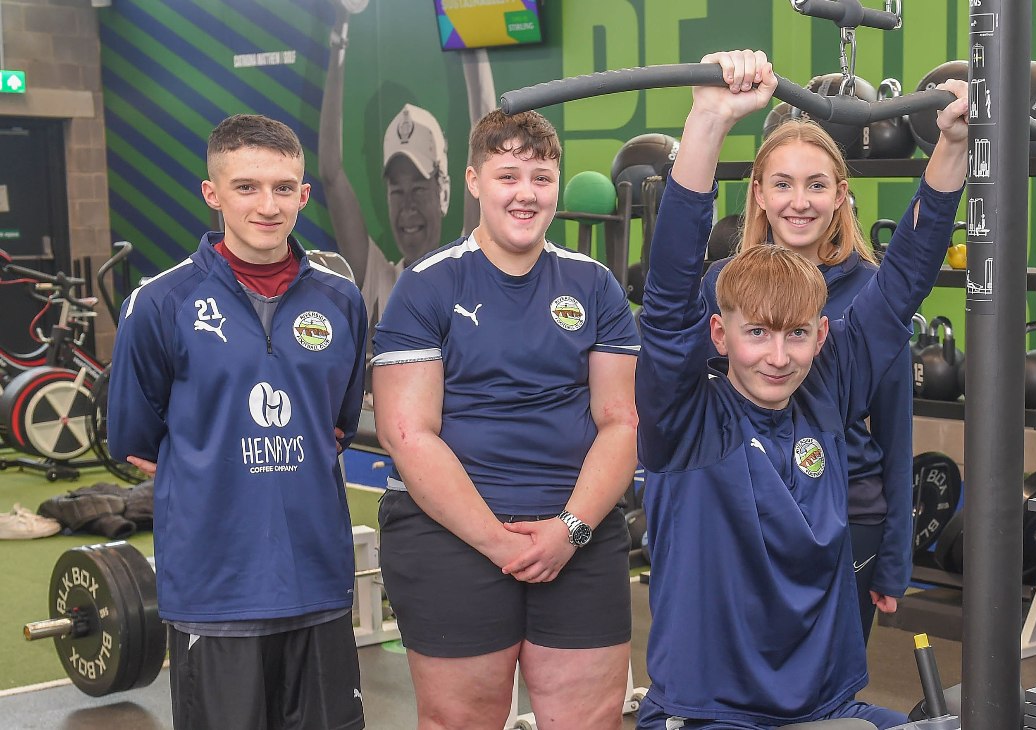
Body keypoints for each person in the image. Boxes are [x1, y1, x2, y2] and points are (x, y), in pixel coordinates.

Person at [636, 50, 967, 729]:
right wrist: (708, 121)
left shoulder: (827, 386)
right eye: (757, 335)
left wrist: (954, 144)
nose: (778, 358)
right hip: (715, 711)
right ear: (719, 337)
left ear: (822, 337)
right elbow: (669, 290)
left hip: (821, 703)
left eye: (795, 337)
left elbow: (904, 277)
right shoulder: (685, 422)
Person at [371, 108, 640, 730]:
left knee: (590, 721)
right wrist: (500, 542)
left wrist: (567, 531)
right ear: (473, 181)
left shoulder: (593, 285)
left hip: (577, 534)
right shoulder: (427, 285)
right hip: (451, 536)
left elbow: (619, 421)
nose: (526, 193)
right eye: (508, 175)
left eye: (542, 177)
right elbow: (406, 434)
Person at [109, 114, 368, 730]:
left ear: (304, 195)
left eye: (284, 188)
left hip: (318, 581)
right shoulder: (161, 303)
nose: (267, 205)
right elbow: (139, 441)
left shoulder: (342, 300)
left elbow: (337, 422)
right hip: (216, 589)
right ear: (213, 192)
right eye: (246, 186)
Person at [701, 119, 912, 642]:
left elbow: (895, 426)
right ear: (759, 194)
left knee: (830, 688)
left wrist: (894, 556)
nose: (800, 202)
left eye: (816, 185)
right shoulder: (720, 285)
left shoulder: (873, 292)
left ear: (840, 195)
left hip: (847, 513)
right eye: (783, 184)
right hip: (744, 508)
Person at [319, 0, 497, 326]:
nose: (408, 205)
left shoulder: (468, 262)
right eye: (397, 191)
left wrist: (468, 19)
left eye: (418, 187)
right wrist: (340, 31)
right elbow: (331, 172)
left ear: (444, 192)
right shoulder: (376, 277)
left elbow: (486, 132)